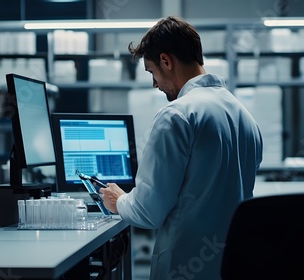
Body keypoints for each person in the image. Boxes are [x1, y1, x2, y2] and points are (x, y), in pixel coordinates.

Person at [99, 16, 263, 280]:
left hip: (187, 266)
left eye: (152, 72)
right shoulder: (244, 116)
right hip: (235, 265)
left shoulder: (177, 115)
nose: (155, 84)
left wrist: (119, 201)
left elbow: (147, 211)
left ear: (166, 61)